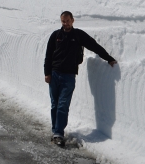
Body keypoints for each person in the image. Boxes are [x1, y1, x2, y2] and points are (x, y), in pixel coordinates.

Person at [44, 11, 117, 147]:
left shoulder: (78, 35)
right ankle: (56, 131)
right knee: (55, 104)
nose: (65, 24)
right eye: (63, 21)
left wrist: (109, 58)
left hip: (69, 76)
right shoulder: (56, 36)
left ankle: (59, 133)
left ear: (73, 20)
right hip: (54, 75)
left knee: (63, 105)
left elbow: (94, 46)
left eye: (67, 21)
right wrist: (47, 73)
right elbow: (48, 56)